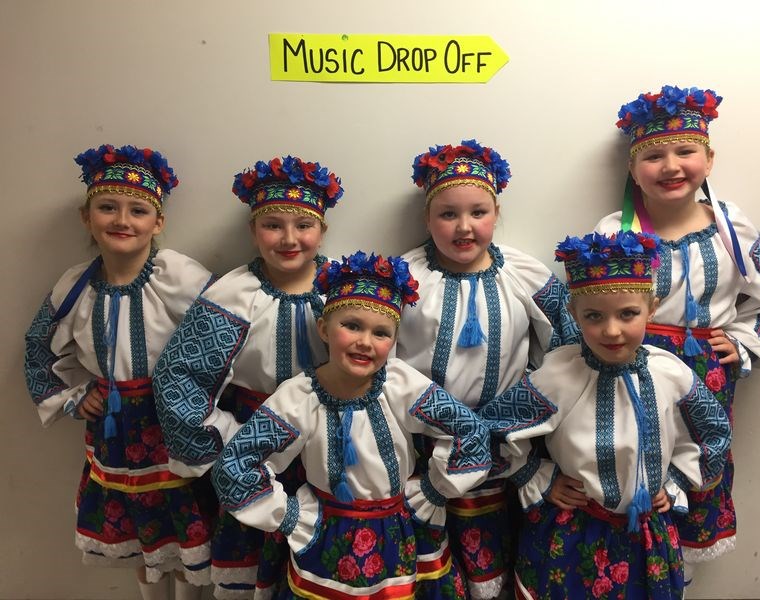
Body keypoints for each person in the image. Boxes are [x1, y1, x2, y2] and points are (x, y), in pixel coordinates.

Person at [595, 85, 760, 582]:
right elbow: (590, 311)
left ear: (708, 159)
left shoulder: (733, 228)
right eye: (653, 155)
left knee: (697, 462)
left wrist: (745, 342)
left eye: (685, 151)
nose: (670, 166)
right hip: (631, 376)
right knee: (636, 464)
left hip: (704, 377)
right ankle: (635, 571)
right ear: (631, 167)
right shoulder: (613, 234)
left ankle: (677, 576)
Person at [210, 251, 491, 599]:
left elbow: (469, 430)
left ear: (394, 341)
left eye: (381, 333)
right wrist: (289, 516)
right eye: (352, 326)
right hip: (327, 533)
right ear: (324, 329)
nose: (364, 342)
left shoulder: (401, 384)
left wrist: (434, 489)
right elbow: (236, 465)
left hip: (402, 531)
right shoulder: (298, 398)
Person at [480, 230, 732, 599]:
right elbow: (488, 431)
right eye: (594, 316)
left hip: (647, 534)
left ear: (652, 308)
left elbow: (713, 432)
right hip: (571, 533)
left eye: (628, 314)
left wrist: (675, 479)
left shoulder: (672, 373)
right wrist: (537, 474)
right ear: (573, 313)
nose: (611, 330)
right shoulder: (558, 377)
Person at [24, 144, 214, 600]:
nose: (122, 220)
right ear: (87, 217)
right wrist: (72, 395)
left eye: (137, 210)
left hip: (174, 425)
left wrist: (202, 400)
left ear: (158, 222)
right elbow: (37, 348)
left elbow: (224, 338)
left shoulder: (183, 277)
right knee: (141, 534)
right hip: (114, 432)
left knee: (184, 531)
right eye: (107, 207)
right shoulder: (74, 286)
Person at [153, 156, 341, 598]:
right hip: (254, 444)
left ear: (323, 230)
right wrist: (227, 435)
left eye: (304, 225)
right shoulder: (233, 294)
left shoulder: (342, 288)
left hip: (330, 439)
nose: (289, 238)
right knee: (254, 559)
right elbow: (179, 376)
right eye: (273, 225)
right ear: (254, 231)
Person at [397, 139, 579, 599]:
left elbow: (569, 352)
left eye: (478, 212)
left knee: (492, 566)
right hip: (421, 448)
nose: (464, 227)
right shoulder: (402, 278)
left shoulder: (525, 275)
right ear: (426, 218)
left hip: (505, 452)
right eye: (447, 214)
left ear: (496, 212)